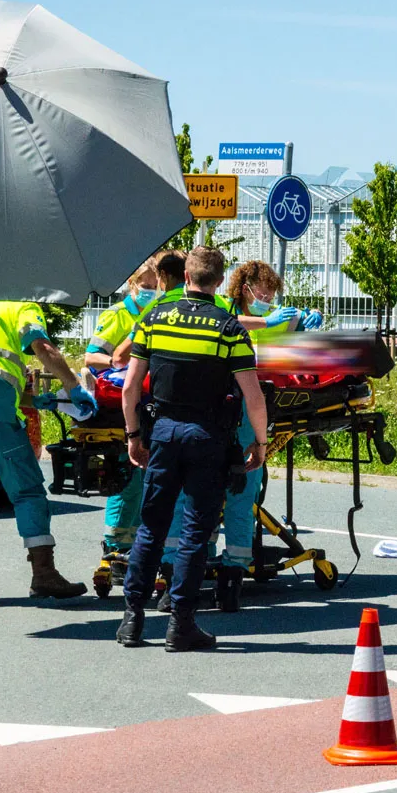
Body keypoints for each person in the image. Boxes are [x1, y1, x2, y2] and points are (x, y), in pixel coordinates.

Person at [116, 247, 268, 652]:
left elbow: (130, 388)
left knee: (151, 527)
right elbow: (253, 396)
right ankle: (181, 624)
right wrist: (261, 442)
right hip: (208, 437)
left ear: (185, 275)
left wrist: (134, 436)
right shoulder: (229, 327)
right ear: (220, 282)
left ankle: (132, 620)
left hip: (163, 433)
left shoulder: (153, 319)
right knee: (195, 534)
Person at [157, 259, 313, 614]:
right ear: (242, 287)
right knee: (221, 501)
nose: (267, 301)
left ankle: (198, 581)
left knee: (207, 501)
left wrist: (297, 330)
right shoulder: (224, 313)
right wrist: (259, 441)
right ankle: (214, 580)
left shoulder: (182, 315)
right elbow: (251, 379)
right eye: (263, 294)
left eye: (272, 297)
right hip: (237, 419)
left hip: (205, 420)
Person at [0, 301, 97, 607]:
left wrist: (35, 401)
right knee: (27, 492)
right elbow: (42, 347)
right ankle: (44, 574)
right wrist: (73, 386)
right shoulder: (25, 308)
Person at [84, 259, 162, 581]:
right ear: (132, 285)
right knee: (125, 482)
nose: (151, 291)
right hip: (118, 405)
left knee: (144, 484)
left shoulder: (158, 311)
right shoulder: (118, 315)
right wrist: (124, 359)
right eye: (145, 285)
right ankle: (114, 548)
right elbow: (92, 357)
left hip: (147, 404)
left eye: (155, 286)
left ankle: (133, 550)